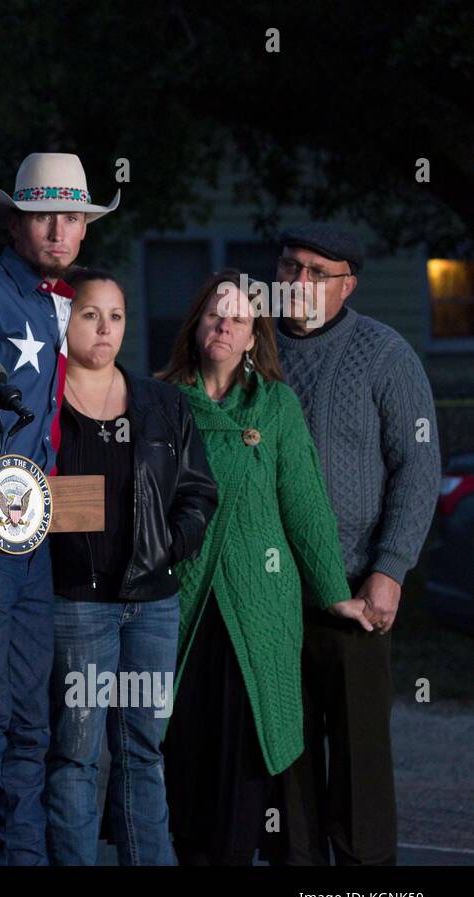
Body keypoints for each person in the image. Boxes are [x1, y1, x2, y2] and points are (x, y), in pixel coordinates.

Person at [0, 152, 119, 865]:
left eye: (72, 218)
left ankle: (25, 858)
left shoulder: (58, 302)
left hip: (34, 532)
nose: (59, 230)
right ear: (13, 224)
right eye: (44, 217)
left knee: (32, 722)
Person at [157, 270, 372, 866]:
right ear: (196, 326)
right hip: (185, 601)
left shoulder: (275, 406)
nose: (224, 326)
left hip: (259, 606)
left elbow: (305, 505)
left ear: (254, 337)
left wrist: (334, 592)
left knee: (246, 757)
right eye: (214, 315)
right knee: (185, 750)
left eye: (238, 319)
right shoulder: (160, 400)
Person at [272, 225, 441, 866]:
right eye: (291, 266)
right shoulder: (254, 348)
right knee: (284, 761)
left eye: (319, 272)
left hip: (355, 589)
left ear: (348, 286)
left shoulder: (385, 353)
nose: (300, 282)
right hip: (272, 593)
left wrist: (390, 569)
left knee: (359, 760)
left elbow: (418, 467)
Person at [41, 268, 217, 866]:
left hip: (152, 606)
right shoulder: (43, 402)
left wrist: (168, 548)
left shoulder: (161, 403)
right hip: (75, 604)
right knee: (75, 753)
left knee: (143, 750)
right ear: (65, 321)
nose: (104, 328)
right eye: (90, 314)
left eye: (115, 317)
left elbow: (198, 493)